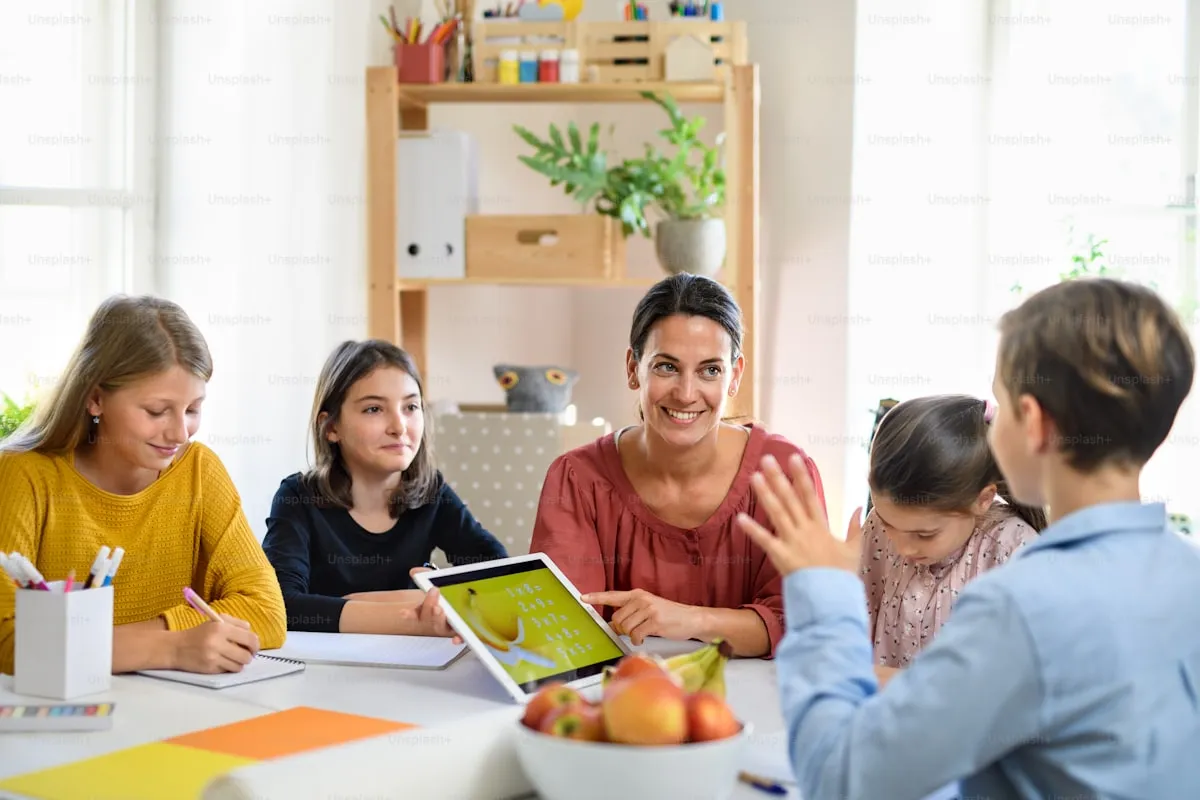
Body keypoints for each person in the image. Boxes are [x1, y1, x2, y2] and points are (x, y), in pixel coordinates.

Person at [737, 277, 1200, 799]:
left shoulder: (1023, 606)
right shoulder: (1188, 575)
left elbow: (846, 781)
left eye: (997, 402)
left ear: (1034, 423)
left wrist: (824, 595)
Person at [529, 273, 826, 659]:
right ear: (633, 368)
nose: (686, 394)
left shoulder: (784, 474)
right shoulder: (577, 479)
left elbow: (802, 625)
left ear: (734, 376)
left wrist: (688, 620)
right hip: (621, 701)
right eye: (667, 367)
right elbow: (565, 628)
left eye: (710, 370)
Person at [0, 295, 286, 676]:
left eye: (192, 409)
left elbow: (266, 611)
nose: (180, 433)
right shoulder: (25, 475)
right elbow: (9, 642)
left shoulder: (199, 470)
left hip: (173, 715)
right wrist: (169, 646)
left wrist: (90, 644)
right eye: (156, 411)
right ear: (96, 398)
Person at [261, 340, 508, 636]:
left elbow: (500, 577)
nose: (400, 426)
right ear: (331, 428)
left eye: (411, 406)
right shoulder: (298, 497)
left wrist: (362, 603)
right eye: (374, 409)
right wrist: (414, 611)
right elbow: (281, 607)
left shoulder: (432, 492)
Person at [861, 394, 1046, 685]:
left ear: (983, 499)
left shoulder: (1014, 553)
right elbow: (859, 624)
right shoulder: (877, 529)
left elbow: (1023, 685)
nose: (902, 547)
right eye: (888, 524)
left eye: (925, 534)